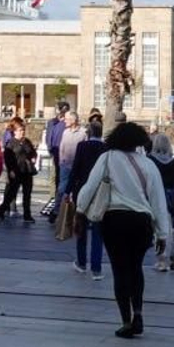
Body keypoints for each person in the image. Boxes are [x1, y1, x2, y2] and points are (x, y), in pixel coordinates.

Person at [76, 121, 171, 338]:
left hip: (115, 219)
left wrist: (79, 212)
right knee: (136, 267)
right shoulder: (149, 165)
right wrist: (162, 234)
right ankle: (138, 312)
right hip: (141, 222)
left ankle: (126, 321)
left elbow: (90, 187)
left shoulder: (107, 158)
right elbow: (158, 201)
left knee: (120, 270)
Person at [65, 119, 107, 280]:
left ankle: (81, 263)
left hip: (82, 191)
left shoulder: (82, 147)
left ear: (88, 133)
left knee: (81, 228)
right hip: (100, 193)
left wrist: (67, 191)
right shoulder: (106, 148)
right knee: (97, 231)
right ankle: (96, 269)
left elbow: (75, 170)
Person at [148, 132, 174, 272]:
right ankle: (170, 255)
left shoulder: (150, 160)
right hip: (170, 198)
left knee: (157, 230)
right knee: (170, 229)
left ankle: (161, 260)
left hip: (155, 196)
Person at [0, 120, 38, 222]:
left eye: (23, 130)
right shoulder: (11, 143)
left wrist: (33, 157)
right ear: (15, 132)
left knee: (27, 194)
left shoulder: (27, 141)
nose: (22, 132)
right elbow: (7, 158)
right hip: (16, 171)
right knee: (11, 193)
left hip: (27, 171)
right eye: (20, 130)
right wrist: (10, 170)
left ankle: (27, 215)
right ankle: (2, 211)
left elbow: (33, 152)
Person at [43, 102, 71, 205]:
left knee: (62, 176)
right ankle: (52, 198)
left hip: (65, 154)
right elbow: (48, 136)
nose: (62, 112)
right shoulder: (52, 122)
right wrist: (49, 148)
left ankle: (61, 199)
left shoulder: (67, 123)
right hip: (54, 152)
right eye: (61, 110)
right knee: (54, 176)